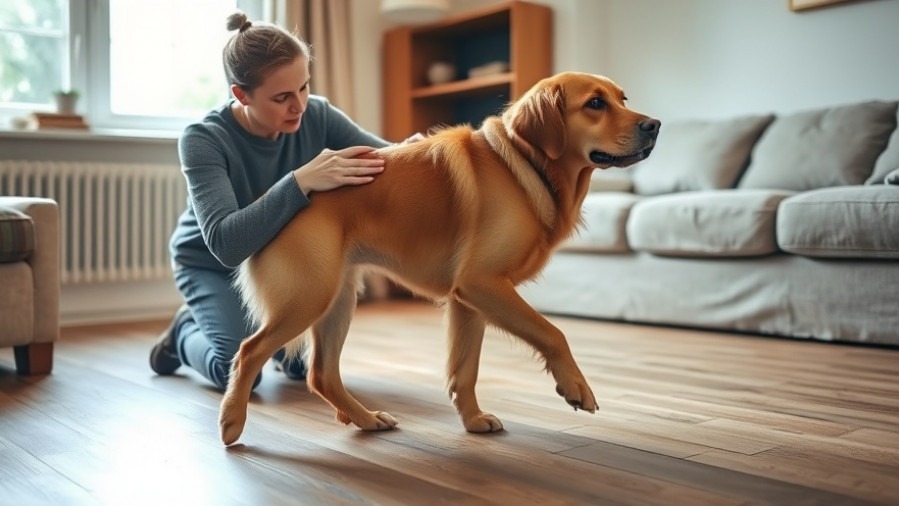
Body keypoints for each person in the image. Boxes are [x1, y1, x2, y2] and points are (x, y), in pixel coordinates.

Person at [149, 11, 391, 391]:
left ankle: (246, 330)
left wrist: (422, 152)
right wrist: (300, 181)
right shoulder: (202, 140)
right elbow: (227, 246)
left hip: (273, 261)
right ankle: (182, 333)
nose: (299, 106)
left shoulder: (317, 113)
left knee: (300, 367)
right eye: (281, 97)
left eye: (304, 87)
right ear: (241, 95)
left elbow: (385, 159)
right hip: (211, 264)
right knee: (238, 369)